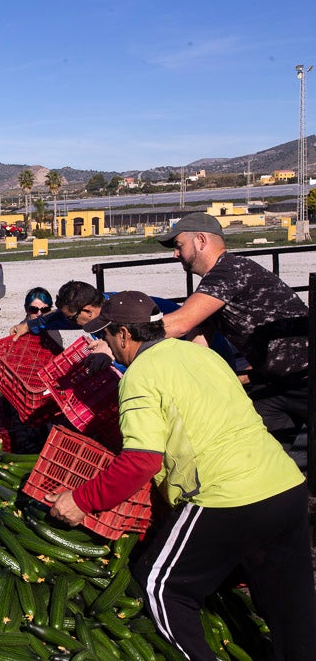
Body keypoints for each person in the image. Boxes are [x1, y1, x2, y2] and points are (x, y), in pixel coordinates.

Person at [46, 291, 316, 661]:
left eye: (107, 334)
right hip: (284, 484)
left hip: (226, 497)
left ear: (123, 334)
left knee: (160, 586)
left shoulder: (140, 375)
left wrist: (81, 500)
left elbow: (141, 462)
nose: (106, 341)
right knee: (290, 602)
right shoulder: (202, 354)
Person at [156, 212, 309, 452]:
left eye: (178, 245)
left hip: (304, 376)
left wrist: (124, 336)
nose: (176, 254)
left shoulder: (229, 270)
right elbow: (196, 346)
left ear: (201, 240)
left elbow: (181, 323)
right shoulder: (214, 285)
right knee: (259, 456)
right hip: (272, 383)